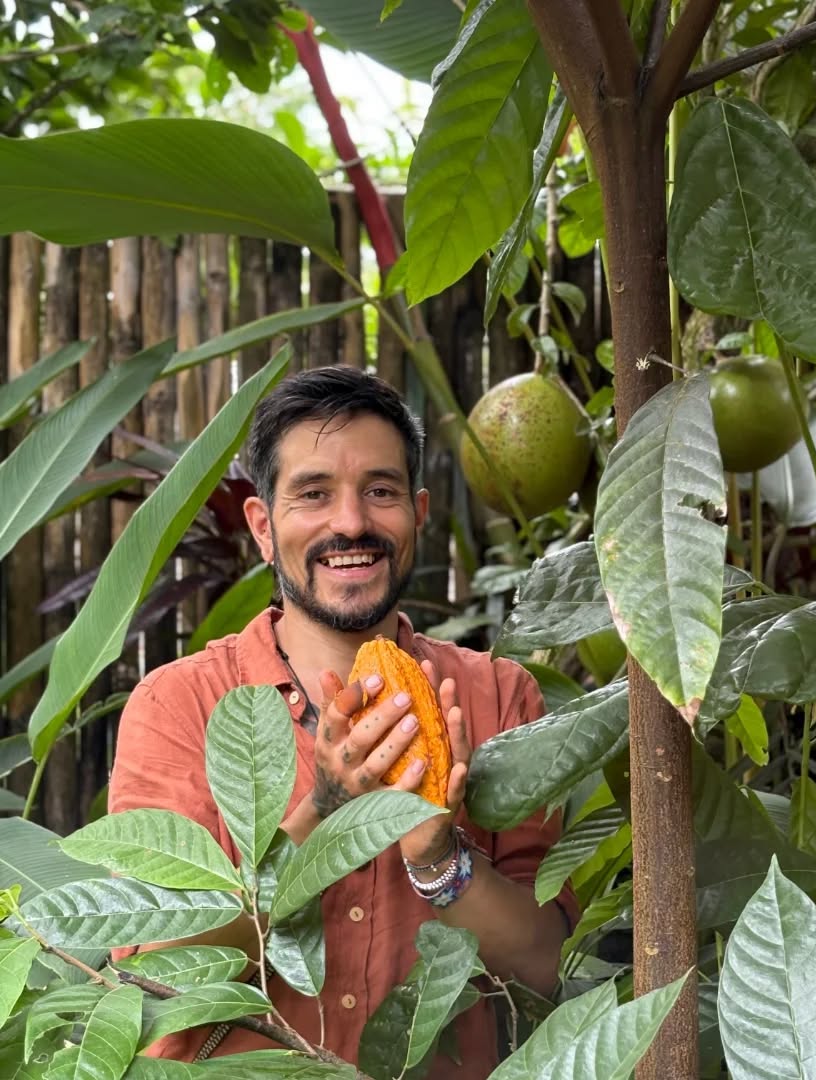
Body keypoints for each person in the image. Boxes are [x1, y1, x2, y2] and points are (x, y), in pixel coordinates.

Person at [108, 365, 576, 1076]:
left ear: (417, 512)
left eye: (380, 491)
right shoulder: (178, 705)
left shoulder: (498, 698)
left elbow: (547, 966)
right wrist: (321, 816)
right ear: (264, 528)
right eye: (314, 494)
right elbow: (154, 974)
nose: (352, 522)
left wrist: (437, 861)